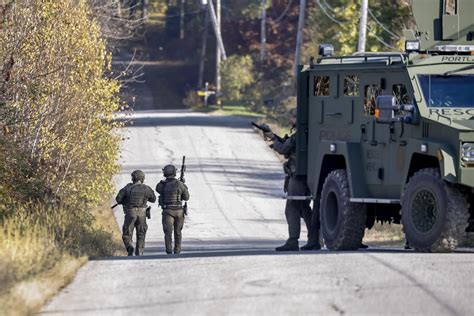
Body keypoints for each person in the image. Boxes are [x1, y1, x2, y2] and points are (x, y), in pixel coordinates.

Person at [265, 108, 321, 251]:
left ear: (299, 119)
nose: (291, 120)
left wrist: (272, 139)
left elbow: (284, 149)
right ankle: (314, 239)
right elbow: (287, 145)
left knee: (292, 207)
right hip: (310, 176)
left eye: (293, 118)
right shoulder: (312, 133)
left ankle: (293, 241)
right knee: (304, 208)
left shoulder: (298, 136)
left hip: (298, 177)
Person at [116, 170, 156, 256]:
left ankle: (129, 247)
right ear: (142, 178)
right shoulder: (146, 188)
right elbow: (153, 199)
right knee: (141, 233)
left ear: (133, 178)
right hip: (142, 214)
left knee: (127, 233)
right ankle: (140, 254)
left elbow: (118, 199)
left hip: (130, 212)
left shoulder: (127, 188)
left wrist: (125, 200)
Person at [156, 164, 190, 254]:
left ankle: (169, 250)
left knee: (168, 232)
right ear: (174, 172)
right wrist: (182, 183)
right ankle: (177, 250)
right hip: (179, 210)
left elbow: (158, 189)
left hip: (167, 211)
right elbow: (186, 197)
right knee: (178, 231)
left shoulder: (162, 185)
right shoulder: (180, 184)